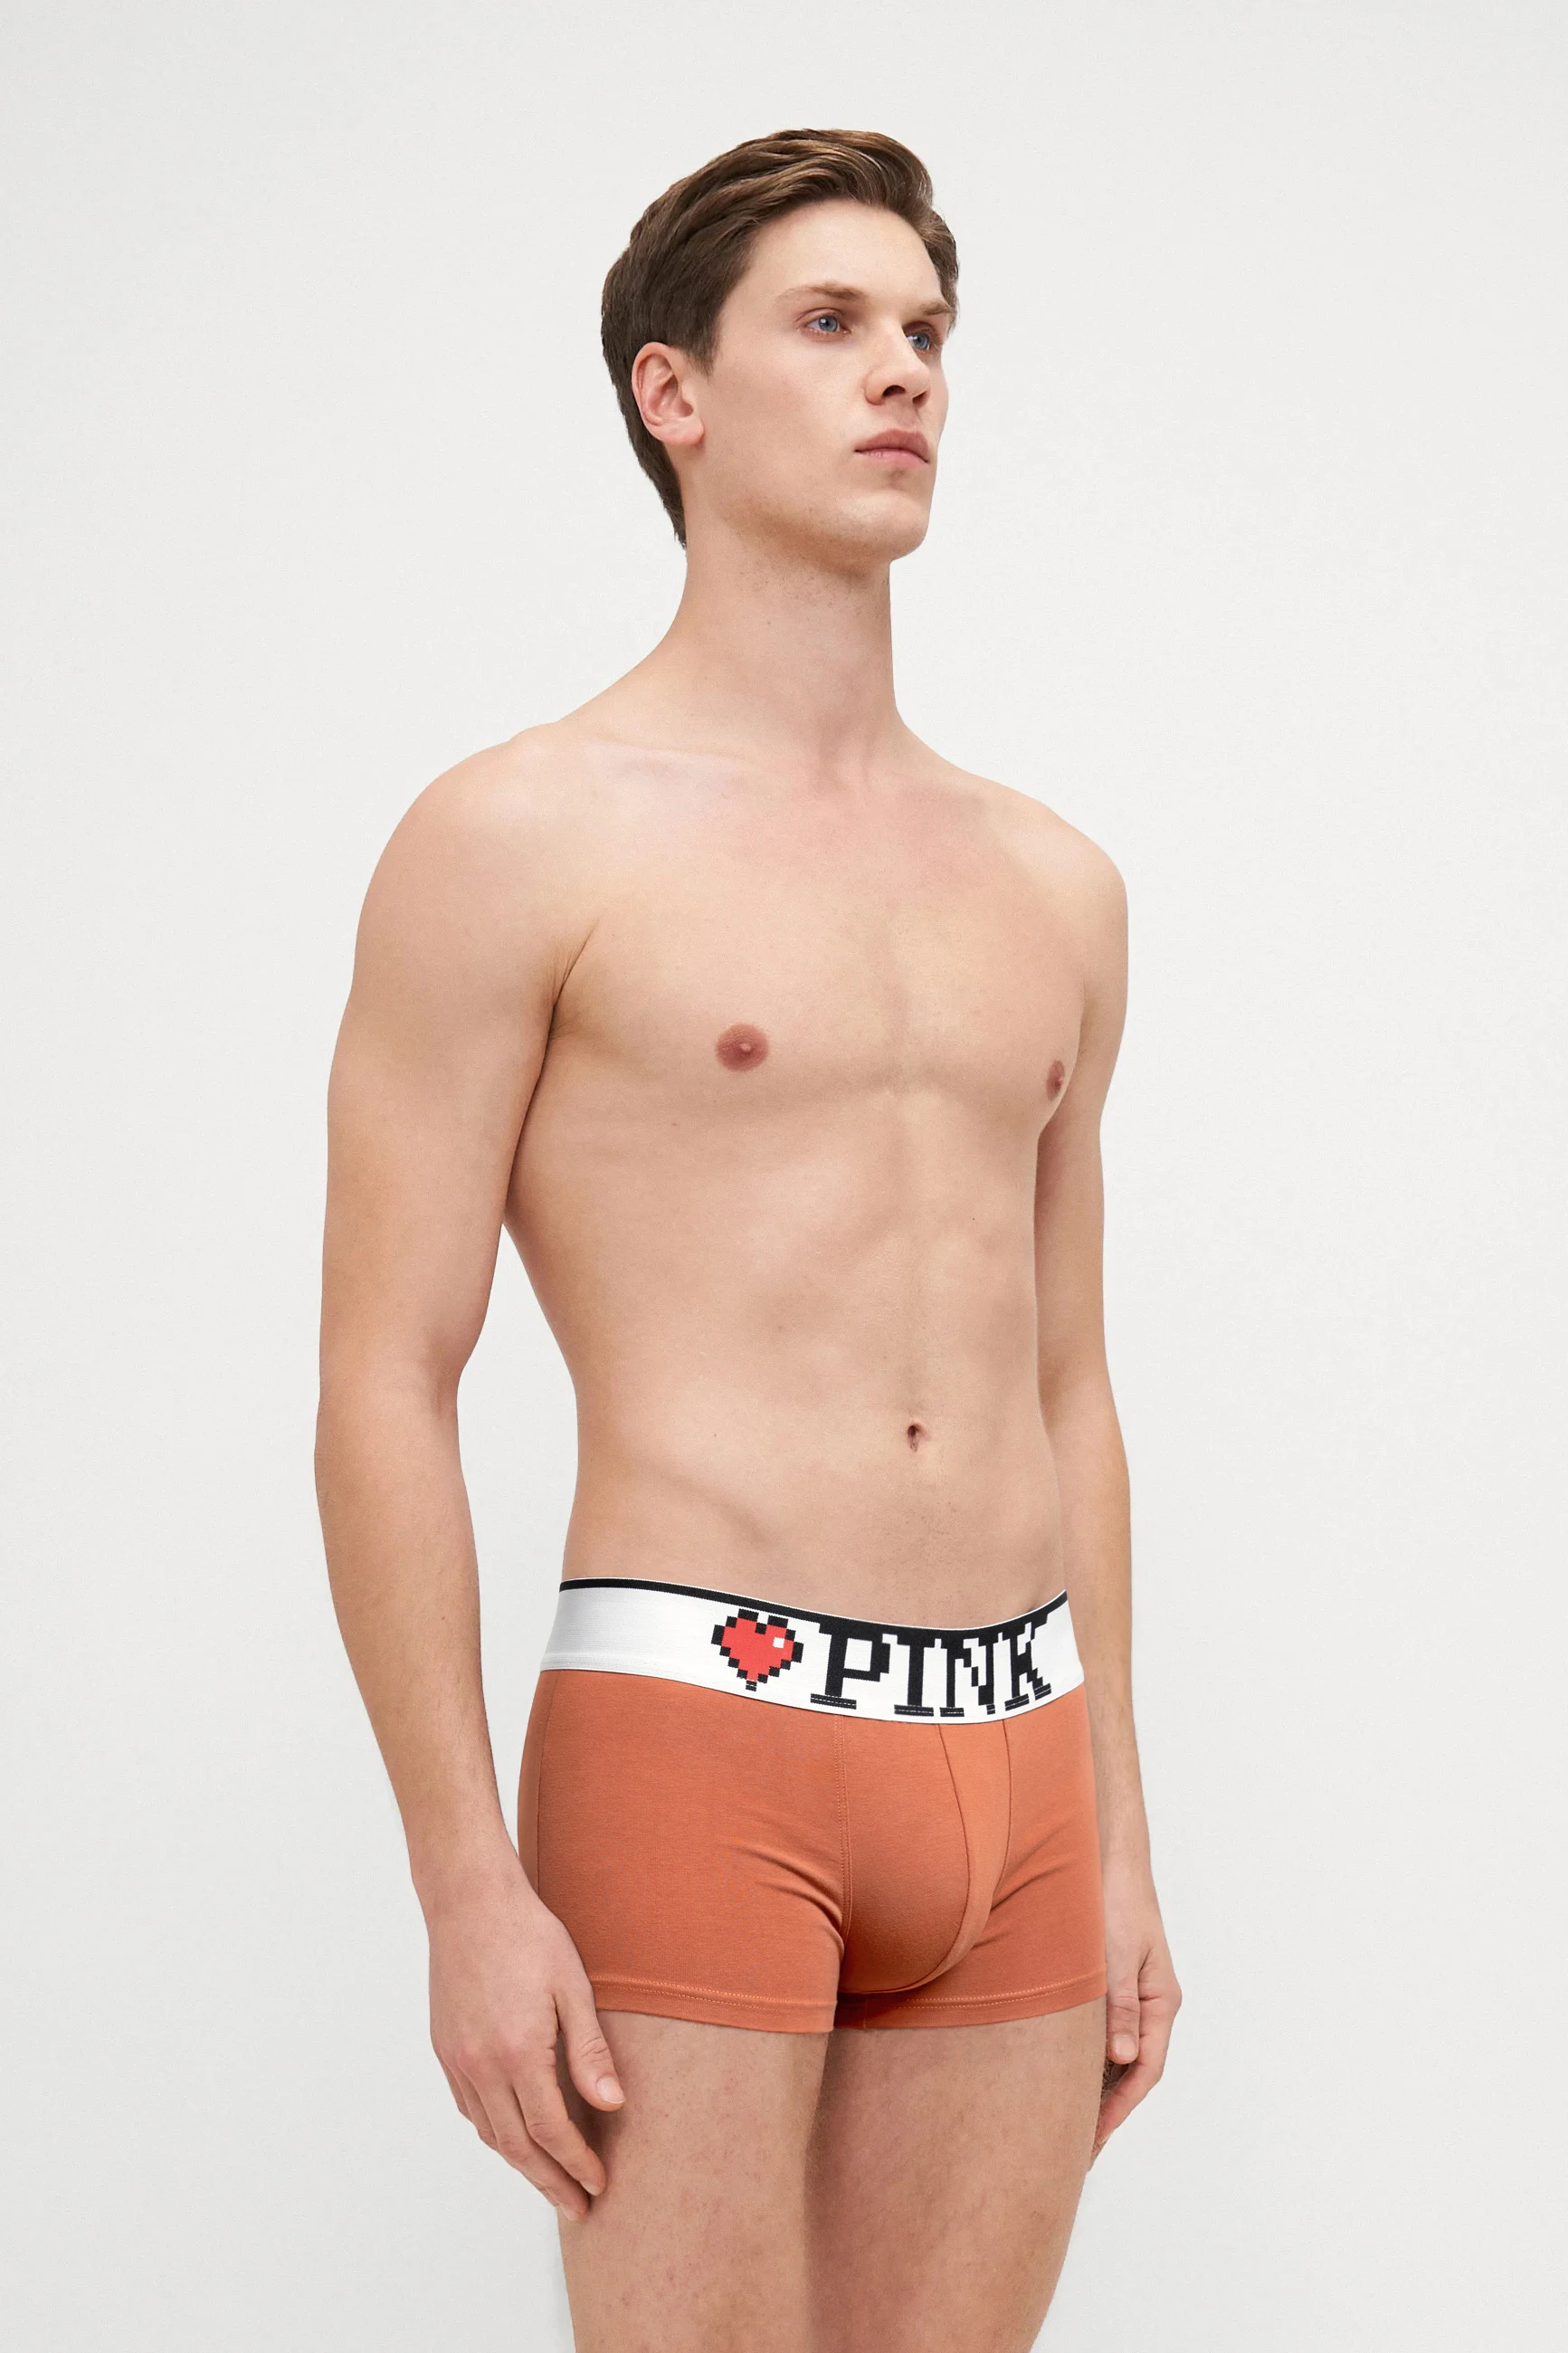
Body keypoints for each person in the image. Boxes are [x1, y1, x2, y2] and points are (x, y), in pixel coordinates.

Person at [316, 127, 1180, 2352]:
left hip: (1015, 1754)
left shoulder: (1053, 884)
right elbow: (385, 1374)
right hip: (701, 1732)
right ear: (670, 391)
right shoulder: (516, 837)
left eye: (925, 331)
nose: (904, 373)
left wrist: (1116, 1833)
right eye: (830, 323)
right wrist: (462, 1883)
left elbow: (1064, 1382)